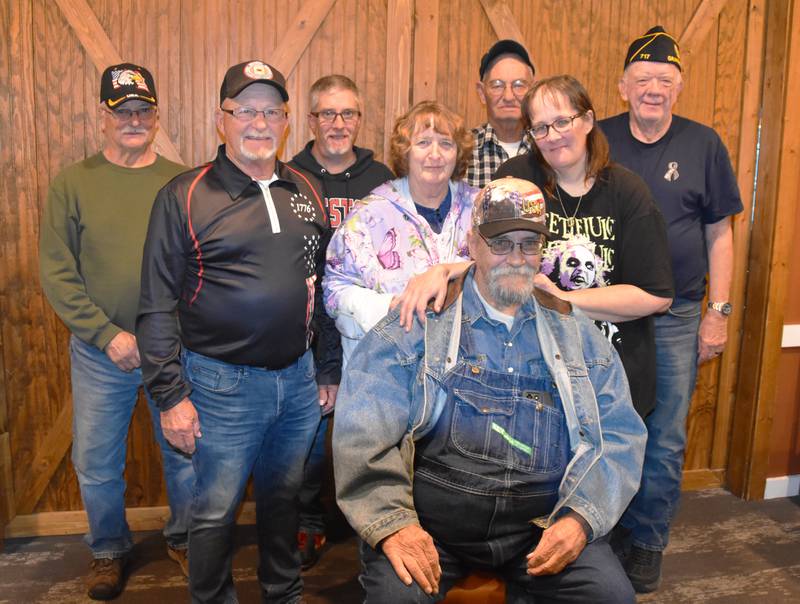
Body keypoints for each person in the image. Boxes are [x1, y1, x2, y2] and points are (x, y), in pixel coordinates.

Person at [332, 177, 647, 604]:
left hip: (541, 529)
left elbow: (619, 436)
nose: (516, 258)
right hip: (432, 530)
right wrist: (394, 525)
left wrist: (580, 519)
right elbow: (363, 434)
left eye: (529, 244)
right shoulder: (420, 325)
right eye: (501, 243)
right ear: (472, 245)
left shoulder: (577, 336)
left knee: (611, 597)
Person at [137, 60, 339, 603]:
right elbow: (155, 306)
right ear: (220, 120)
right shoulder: (184, 195)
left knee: (284, 501)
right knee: (213, 512)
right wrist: (169, 395)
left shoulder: (309, 190)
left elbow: (321, 286)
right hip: (219, 386)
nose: (259, 122)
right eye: (245, 109)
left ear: (287, 121)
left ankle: (284, 592)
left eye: (271, 111)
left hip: (297, 386)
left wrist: (326, 368)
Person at [39, 63, 194, 600]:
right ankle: (108, 549)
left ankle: (186, 539)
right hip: (99, 351)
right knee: (97, 459)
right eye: (122, 111)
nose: (133, 120)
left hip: (170, 349)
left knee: (184, 450)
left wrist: (166, 336)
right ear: (102, 116)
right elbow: (58, 273)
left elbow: (195, 267)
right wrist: (107, 335)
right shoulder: (73, 183)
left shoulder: (179, 182)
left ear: (156, 116)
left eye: (143, 111)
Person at [599, 26, 743, 593]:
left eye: (665, 80)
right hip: (604, 312)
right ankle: (600, 533)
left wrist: (720, 310)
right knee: (603, 425)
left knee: (664, 437)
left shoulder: (704, 144)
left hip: (678, 314)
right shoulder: (598, 138)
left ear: (679, 88)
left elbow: (721, 235)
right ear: (623, 86)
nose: (653, 89)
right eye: (643, 79)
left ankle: (648, 542)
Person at [495, 74, 675, 419]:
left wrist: (560, 301)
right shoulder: (516, 180)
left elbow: (656, 295)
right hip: (532, 376)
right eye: (540, 128)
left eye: (563, 121)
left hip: (611, 381)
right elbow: (485, 260)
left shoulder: (626, 191)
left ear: (588, 121)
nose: (553, 136)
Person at [288, 74, 393, 569]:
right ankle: (308, 521)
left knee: (374, 430)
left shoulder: (382, 180)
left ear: (359, 119)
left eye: (347, 113)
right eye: (327, 114)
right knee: (310, 435)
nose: (337, 124)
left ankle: (375, 523)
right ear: (310, 121)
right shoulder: (289, 177)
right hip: (308, 331)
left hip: (369, 329)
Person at [323, 100, 476, 363]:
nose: (435, 154)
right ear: (405, 152)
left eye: (446, 144)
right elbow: (335, 288)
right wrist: (390, 308)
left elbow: (506, 267)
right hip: (388, 372)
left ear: (458, 153)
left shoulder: (480, 210)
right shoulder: (369, 215)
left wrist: (448, 271)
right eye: (424, 143)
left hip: (467, 375)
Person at [466, 39, 535, 188]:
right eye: (497, 85)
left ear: (533, 92)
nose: (508, 96)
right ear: (482, 93)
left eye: (519, 85)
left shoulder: (550, 148)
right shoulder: (460, 151)